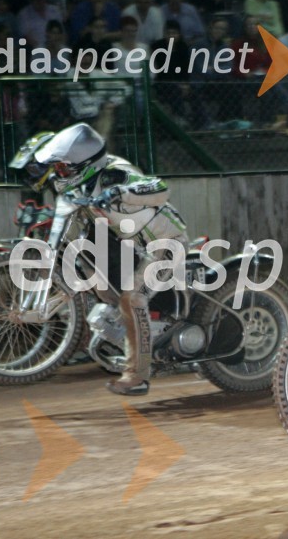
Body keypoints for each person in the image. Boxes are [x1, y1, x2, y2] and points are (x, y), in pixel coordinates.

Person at [32, 122, 188, 396]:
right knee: (103, 284)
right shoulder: (86, 182)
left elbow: (160, 187)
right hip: (135, 245)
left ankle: (137, 376)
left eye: (64, 169)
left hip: (165, 244)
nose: (59, 174)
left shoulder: (117, 175)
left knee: (133, 298)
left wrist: (120, 193)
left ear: (86, 164)